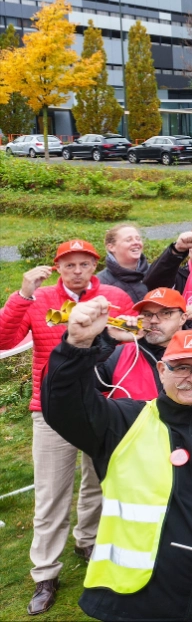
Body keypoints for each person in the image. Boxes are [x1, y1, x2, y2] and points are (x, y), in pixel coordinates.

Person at [43, 312, 192, 621]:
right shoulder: (124, 423)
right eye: (182, 367)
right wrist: (76, 345)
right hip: (141, 603)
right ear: (161, 370)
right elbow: (62, 405)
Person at [0, 239, 133, 615]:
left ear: (94, 265)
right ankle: (45, 572)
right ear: (58, 267)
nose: (77, 270)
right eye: (69, 264)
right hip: (50, 409)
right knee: (51, 493)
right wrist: (22, 295)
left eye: (84, 263)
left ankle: (87, 540)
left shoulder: (112, 295)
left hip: (101, 406)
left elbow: (129, 338)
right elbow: (3, 338)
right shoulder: (39, 298)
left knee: (98, 482)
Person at [97, 224, 151, 302]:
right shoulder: (101, 282)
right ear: (111, 247)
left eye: (138, 239)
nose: (136, 242)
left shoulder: (155, 271)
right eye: (128, 240)